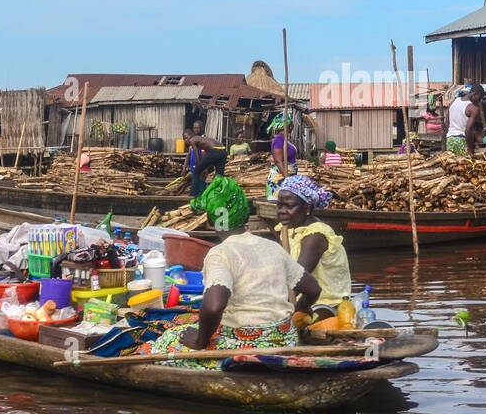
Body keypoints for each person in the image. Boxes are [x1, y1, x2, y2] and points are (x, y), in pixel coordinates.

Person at [134, 177, 322, 368]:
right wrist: (301, 308)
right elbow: (313, 289)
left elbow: (214, 306)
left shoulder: (220, 254)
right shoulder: (271, 247)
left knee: (167, 340)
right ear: (245, 216)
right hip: (284, 340)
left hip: (244, 347)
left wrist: (200, 341)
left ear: (211, 221)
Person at [273, 175, 351, 314]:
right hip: (298, 301)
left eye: (289, 206)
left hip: (324, 306)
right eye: (279, 205)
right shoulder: (286, 229)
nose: (282, 211)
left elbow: (298, 279)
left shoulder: (316, 235)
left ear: (307, 207)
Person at [186, 121, 228, 197]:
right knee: (219, 176)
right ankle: (218, 195)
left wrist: (197, 168)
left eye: (186, 138)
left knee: (196, 172)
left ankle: (193, 195)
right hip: (223, 150)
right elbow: (212, 158)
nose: (186, 140)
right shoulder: (204, 139)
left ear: (190, 135)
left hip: (215, 151)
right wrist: (207, 169)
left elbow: (197, 157)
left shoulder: (193, 140)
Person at [446, 85, 484, 156]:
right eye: (479, 98)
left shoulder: (453, 102)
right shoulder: (473, 109)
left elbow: (447, 123)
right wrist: (470, 148)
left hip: (450, 140)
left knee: (452, 164)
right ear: (474, 94)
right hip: (462, 140)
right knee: (465, 165)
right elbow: (468, 130)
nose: (479, 102)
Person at [267, 115, 298, 200]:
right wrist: (287, 178)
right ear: (288, 125)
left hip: (287, 176)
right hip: (281, 178)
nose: (292, 125)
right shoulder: (279, 139)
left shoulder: (285, 139)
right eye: (291, 123)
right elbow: (278, 161)